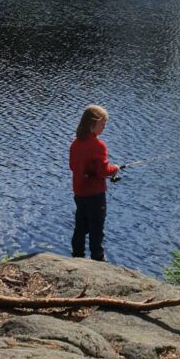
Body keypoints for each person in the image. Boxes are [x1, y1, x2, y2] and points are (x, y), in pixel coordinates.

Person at [69, 104, 120, 261]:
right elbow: (104, 172)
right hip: (95, 195)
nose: (104, 127)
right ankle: (97, 258)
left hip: (79, 192)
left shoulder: (75, 144)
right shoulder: (98, 146)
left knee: (80, 226)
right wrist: (115, 169)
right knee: (96, 227)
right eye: (102, 124)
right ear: (92, 124)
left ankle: (77, 255)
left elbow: (72, 166)